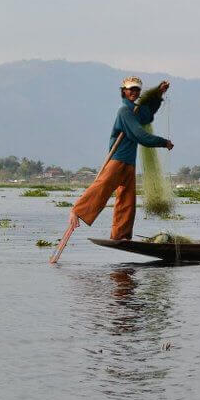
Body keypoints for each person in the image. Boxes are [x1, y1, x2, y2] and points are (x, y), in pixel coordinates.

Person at [49, 76, 173, 264]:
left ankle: (120, 234)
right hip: (117, 160)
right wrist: (163, 142)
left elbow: (147, 114)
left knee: (127, 199)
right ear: (123, 91)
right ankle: (77, 210)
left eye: (137, 90)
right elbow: (140, 135)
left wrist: (158, 95)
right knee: (103, 187)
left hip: (129, 163)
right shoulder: (125, 112)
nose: (134, 92)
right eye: (130, 89)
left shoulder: (135, 111)